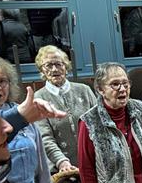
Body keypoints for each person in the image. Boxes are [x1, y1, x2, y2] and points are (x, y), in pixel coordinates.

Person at [34, 45, 97, 173]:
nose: (54, 69)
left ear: (66, 67)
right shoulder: (39, 97)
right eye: (48, 65)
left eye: (58, 64)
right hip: (61, 169)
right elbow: (45, 137)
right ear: (42, 70)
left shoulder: (84, 90)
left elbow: (99, 124)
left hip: (93, 162)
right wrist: (62, 162)